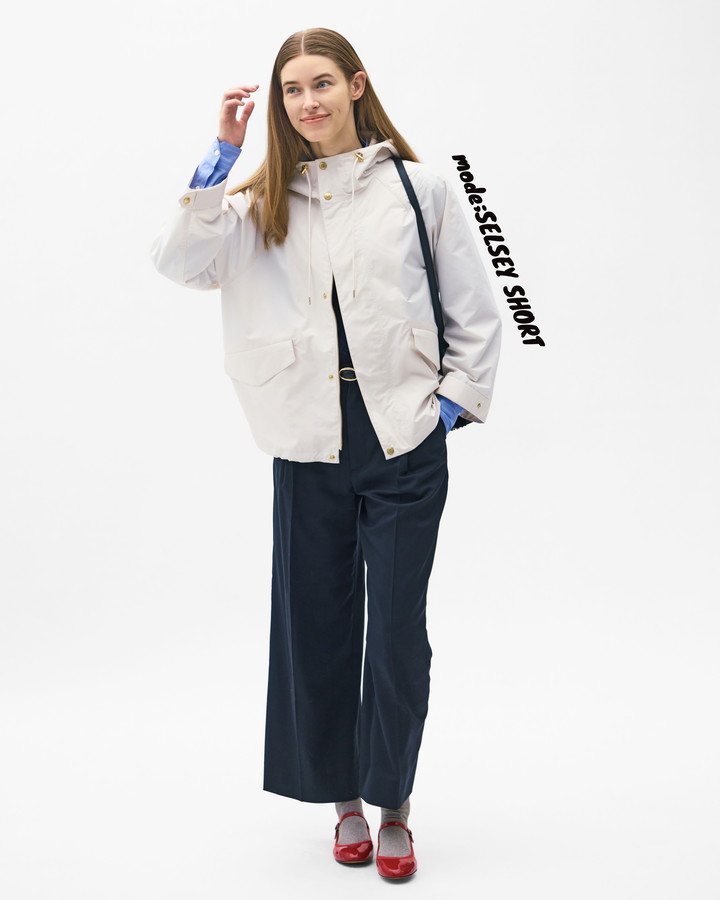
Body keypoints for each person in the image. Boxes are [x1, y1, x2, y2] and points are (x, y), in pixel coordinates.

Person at [151, 26, 501, 880]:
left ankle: (394, 804)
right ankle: (342, 798)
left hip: (402, 434)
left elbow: (475, 307)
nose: (307, 101)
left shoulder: (421, 187)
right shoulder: (261, 200)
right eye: (291, 89)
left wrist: (448, 408)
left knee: (397, 633)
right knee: (317, 624)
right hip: (307, 437)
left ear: (355, 85)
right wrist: (220, 156)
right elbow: (180, 263)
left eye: (321, 83)